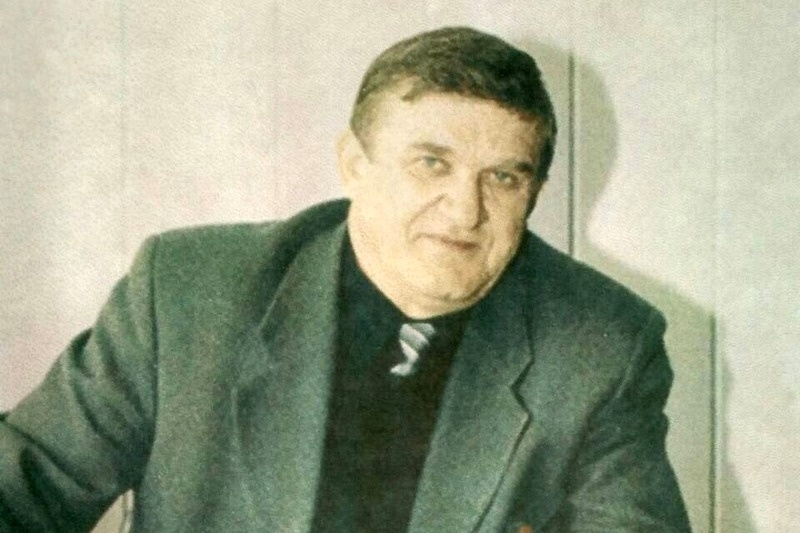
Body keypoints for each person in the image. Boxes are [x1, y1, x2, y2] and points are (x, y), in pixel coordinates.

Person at [0, 27, 690, 532]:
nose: (465, 210)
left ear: (533, 194)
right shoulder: (188, 293)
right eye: (431, 163)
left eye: (503, 177)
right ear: (354, 165)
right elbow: (23, 486)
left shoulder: (602, 348)